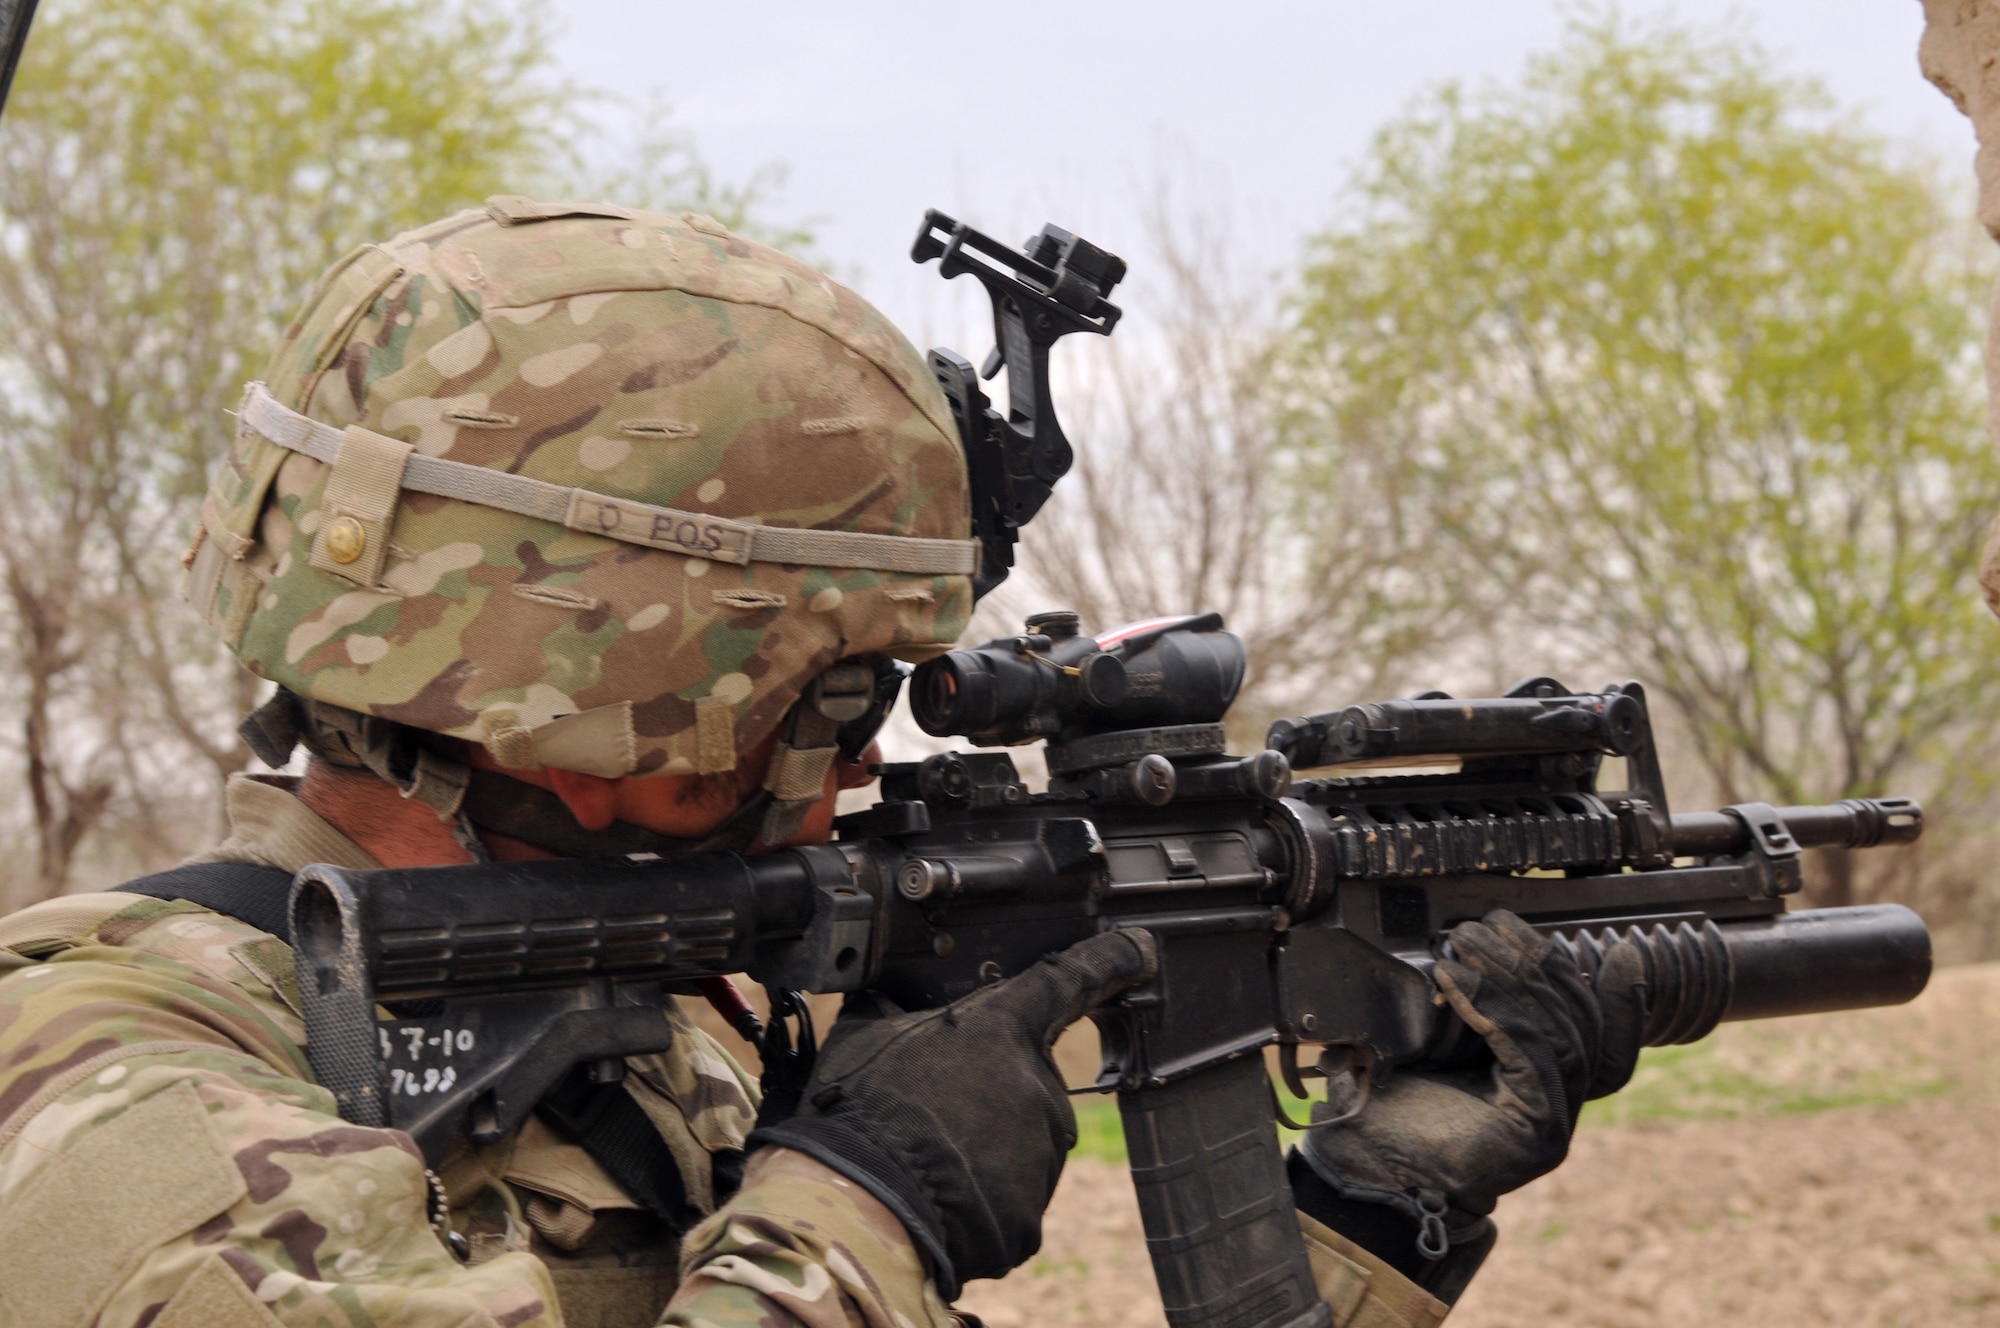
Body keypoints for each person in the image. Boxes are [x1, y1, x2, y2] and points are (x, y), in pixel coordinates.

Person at [0, 197, 1646, 1328]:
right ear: (619, 694)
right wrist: (867, 1204)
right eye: (835, 697)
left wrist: (1362, 1225)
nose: (857, 771)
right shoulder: (94, 1088)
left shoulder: (670, 1031)